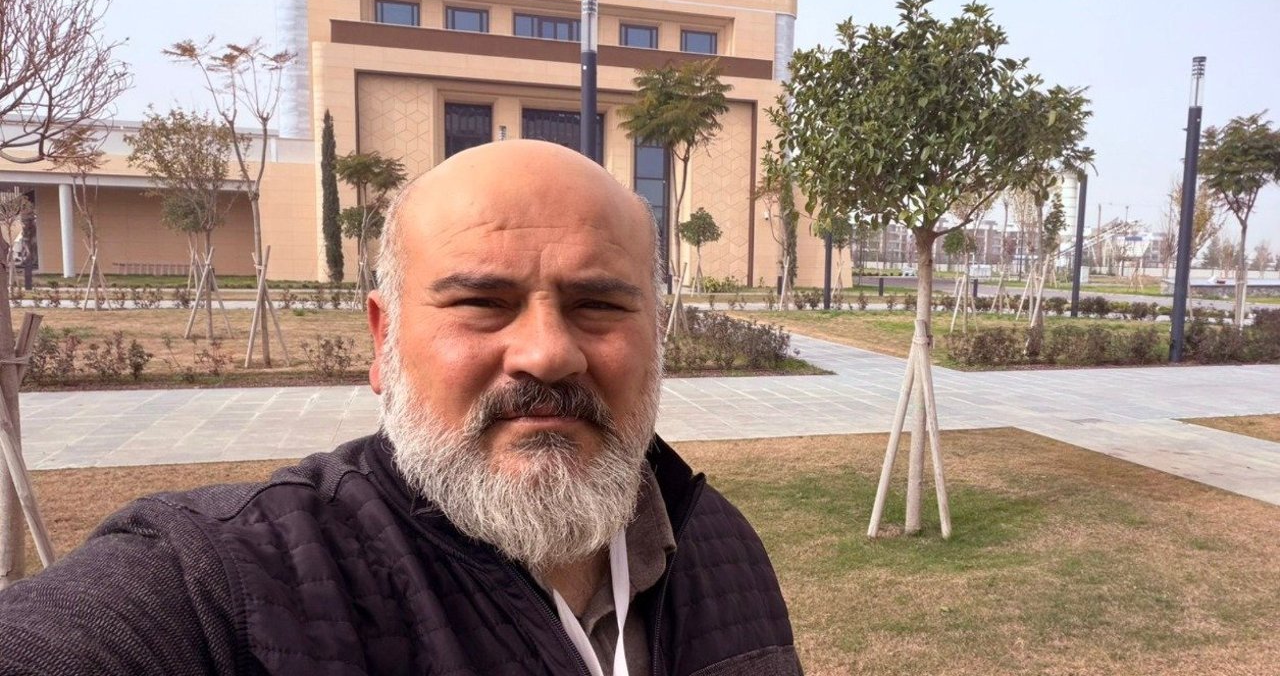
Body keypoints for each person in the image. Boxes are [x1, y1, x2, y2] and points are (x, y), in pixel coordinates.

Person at [0, 140, 800, 675]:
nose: (548, 352)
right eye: (482, 302)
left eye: (597, 304)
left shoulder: (712, 539)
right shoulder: (230, 582)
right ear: (384, 339)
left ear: (654, 335)